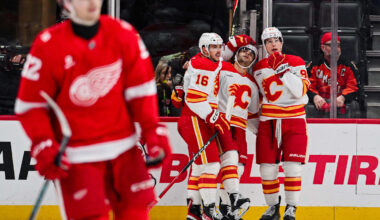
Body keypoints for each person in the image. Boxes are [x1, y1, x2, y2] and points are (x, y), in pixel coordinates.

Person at [15, 0, 171, 219]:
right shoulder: (48, 45)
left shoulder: (124, 35)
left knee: (136, 212)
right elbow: (31, 106)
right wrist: (44, 143)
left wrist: (152, 130)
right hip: (79, 157)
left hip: (125, 151)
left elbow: (141, 93)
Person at [252, 27, 310, 220]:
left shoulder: (296, 61)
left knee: (293, 166)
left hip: (294, 120)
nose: (273, 44)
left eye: (276, 40)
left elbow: (300, 91)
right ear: (264, 45)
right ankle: (272, 207)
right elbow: (256, 100)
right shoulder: (258, 67)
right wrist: (255, 127)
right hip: (268, 121)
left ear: (282, 42)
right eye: (269, 41)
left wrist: (283, 71)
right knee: (267, 168)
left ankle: (291, 207)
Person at [178, 32, 230, 220]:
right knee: (211, 165)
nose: (218, 50)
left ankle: (194, 209)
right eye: (213, 47)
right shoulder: (203, 65)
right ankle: (209, 209)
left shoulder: (206, 62)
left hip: (196, 118)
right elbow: (194, 99)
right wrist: (214, 117)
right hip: (195, 118)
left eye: (219, 47)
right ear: (204, 49)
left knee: (200, 167)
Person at [217, 42, 260, 219]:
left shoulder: (253, 84)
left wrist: (259, 132)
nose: (247, 54)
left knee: (238, 168)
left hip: (240, 126)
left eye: (251, 53)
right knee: (229, 162)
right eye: (243, 50)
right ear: (235, 54)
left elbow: (253, 112)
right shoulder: (221, 68)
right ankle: (231, 202)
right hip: (222, 122)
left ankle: (226, 208)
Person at [307, 32, 358, 117]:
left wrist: (343, 97)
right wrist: (315, 97)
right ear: (322, 47)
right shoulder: (314, 65)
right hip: (320, 102)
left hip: (341, 101)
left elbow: (353, 87)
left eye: (338, 45)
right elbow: (307, 85)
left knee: (354, 105)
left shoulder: (348, 66)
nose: (336, 49)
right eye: (331, 45)